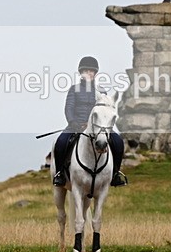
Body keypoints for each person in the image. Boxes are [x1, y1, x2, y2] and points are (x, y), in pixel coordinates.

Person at [52, 56, 127, 188]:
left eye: (91, 71)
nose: (89, 73)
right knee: (61, 143)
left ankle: (116, 174)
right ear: (81, 73)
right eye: (86, 70)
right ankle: (60, 174)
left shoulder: (101, 91)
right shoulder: (73, 89)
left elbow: (106, 111)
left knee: (118, 142)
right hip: (76, 125)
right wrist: (73, 123)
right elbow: (68, 108)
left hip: (98, 127)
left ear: (95, 73)